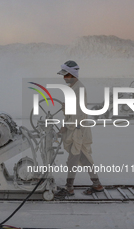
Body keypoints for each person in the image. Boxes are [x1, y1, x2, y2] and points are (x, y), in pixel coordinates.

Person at [55, 60, 104, 196]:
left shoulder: (79, 89)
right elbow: (71, 112)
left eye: (66, 75)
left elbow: (79, 115)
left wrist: (66, 126)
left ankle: (69, 188)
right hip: (75, 129)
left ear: (73, 74)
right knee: (84, 158)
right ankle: (97, 184)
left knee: (73, 160)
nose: (64, 78)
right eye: (64, 75)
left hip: (78, 131)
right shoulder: (72, 88)